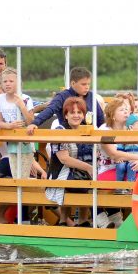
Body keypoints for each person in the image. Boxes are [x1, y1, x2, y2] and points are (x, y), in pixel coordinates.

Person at [46, 97, 94, 227]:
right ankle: (66, 220)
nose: (76, 116)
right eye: (72, 113)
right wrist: (89, 167)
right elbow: (64, 159)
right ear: (66, 115)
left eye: (79, 113)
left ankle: (84, 220)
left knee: (88, 179)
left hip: (79, 171)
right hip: (60, 172)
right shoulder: (60, 130)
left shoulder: (86, 131)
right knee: (81, 181)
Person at [26, 67, 104, 133]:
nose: (87, 87)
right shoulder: (62, 96)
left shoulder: (91, 96)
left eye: (88, 84)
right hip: (67, 137)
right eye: (83, 84)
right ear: (73, 83)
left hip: (88, 137)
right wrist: (35, 123)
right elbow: (50, 110)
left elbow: (100, 119)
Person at [97, 97, 138, 181]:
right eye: (122, 110)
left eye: (127, 109)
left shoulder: (130, 129)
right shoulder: (105, 129)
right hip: (109, 169)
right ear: (112, 115)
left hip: (130, 167)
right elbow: (114, 154)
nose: (126, 112)